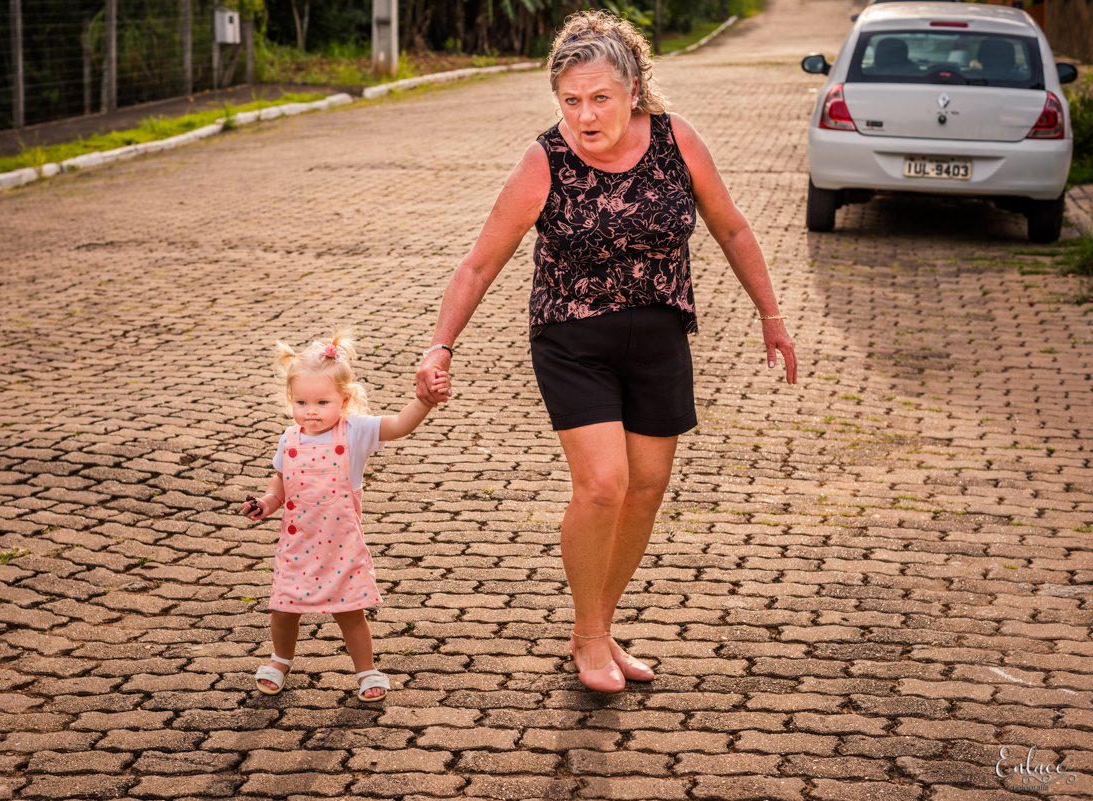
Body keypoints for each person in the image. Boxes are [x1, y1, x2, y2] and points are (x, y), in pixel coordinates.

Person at [414, 11, 797, 693]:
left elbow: (732, 228)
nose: (586, 116)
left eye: (600, 98)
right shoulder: (545, 161)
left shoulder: (678, 141)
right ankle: (588, 638)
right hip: (572, 338)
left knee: (646, 490)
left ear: (633, 90)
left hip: (658, 338)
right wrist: (441, 345)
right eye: (571, 100)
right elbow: (478, 265)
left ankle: (599, 623)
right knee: (603, 484)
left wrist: (771, 314)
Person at [242, 329, 450, 700]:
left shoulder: (354, 431)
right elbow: (279, 483)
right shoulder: (289, 439)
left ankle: (366, 670)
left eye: (322, 402)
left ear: (345, 399)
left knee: (350, 612)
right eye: (302, 402)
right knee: (284, 608)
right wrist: (266, 504)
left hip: (341, 546)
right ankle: (279, 660)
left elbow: (401, 425)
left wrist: (425, 401)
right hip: (298, 545)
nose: (311, 411)